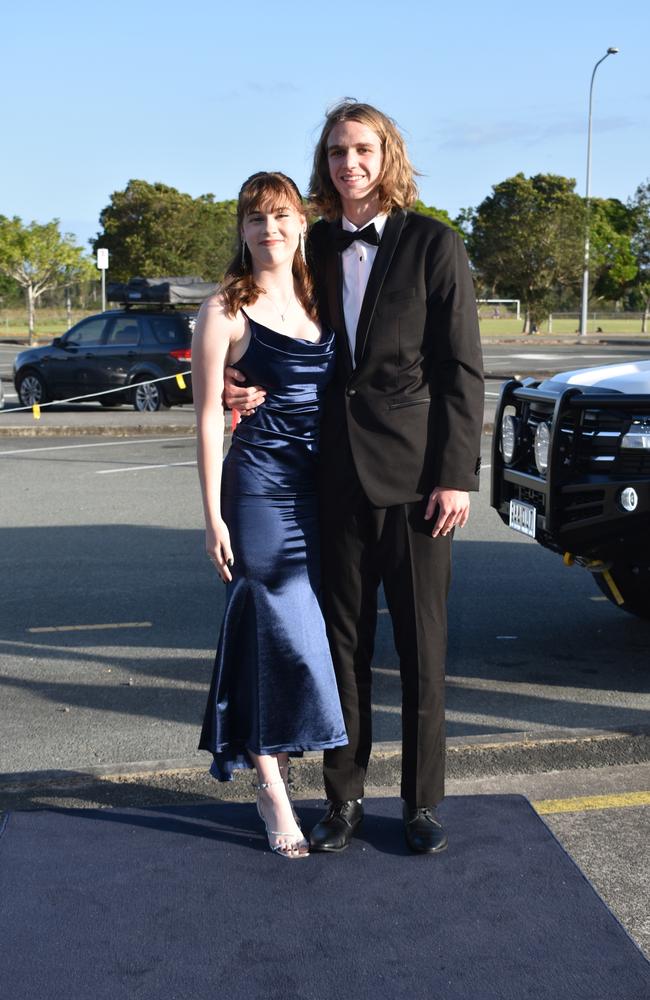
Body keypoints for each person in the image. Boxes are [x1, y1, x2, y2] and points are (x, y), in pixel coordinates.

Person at [225, 102, 484, 855]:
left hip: (415, 489)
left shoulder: (435, 243)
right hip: (327, 481)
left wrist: (454, 476)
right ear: (326, 162)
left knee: (421, 650)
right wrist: (242, 384)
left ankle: (423, 805)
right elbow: (277, 335)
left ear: (387, 154)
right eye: (337, 151)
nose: (349, 163)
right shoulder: (310, 247)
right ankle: (342, 803)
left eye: (363, 149)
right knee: (341, 654)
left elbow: (462, 370)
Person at [193, 171, 347, 860]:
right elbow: (202, 418)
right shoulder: (224, 308)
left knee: (310, 636)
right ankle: (271, 787)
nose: (269, 230)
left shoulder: (328, 297)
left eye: (280, 215)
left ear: (303, 222)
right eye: (255, 219)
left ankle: (283, 758)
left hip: (327, 490)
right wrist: (211, 518)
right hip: (257, 487)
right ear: (242, 230)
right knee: (266, 618)